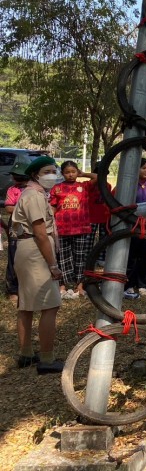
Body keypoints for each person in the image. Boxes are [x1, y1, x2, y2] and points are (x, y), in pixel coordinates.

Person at [10, 156, 64, 373]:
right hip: (35, 251)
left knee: (27, 305)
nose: (52, 175)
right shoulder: (34, 196)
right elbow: (41, 234)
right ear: (35, 175)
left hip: (28, 249)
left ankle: (26, 354)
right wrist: (52, 265)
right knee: (50, 305)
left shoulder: (34, 194)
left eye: (53, 171)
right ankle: (47, 359)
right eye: (47, 172)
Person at [49, 161, 97, 298]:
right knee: (62, 257)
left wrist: (83, 174)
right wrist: (50, 223)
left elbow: (98, 177)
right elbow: (53, 207)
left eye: (73, 171)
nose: (70, 174)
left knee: (80, 257)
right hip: (62, 229)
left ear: (77, 172)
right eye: (67, 172)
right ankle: (62, 285)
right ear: (62, 173)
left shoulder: (84, 186)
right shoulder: (57, 188)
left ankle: (79, 285)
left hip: (80, 228)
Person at [123, 158, 146, 299]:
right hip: (132, 225)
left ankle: (143, 284)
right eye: (144, 168)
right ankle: (129, 284)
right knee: (131, 256)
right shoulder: (130, 184)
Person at [4, 161, 29, 305]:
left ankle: (28, 288)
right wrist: (28, 209)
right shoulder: (12, 190)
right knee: (14, 256)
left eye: (18, 176)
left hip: (32, 226)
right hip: (16, 225)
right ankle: (13, 289)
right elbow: (8, 208)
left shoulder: (34, 189)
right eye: (14, 176)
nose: (15, 179)